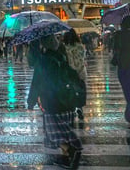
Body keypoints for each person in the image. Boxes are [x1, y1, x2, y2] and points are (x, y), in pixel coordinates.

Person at [28, 34, 82, 169]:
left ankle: (70, 150)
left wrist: (31, 101)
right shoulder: (61, 57)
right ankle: (67, 158)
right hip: (65, 99)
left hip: (51, 100)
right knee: (62, 130)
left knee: (52, 132)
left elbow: (36, 83)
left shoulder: (43, 61)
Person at [63, 29, 87, 121]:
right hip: (81, 72)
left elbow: (69, 62)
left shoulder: (65, 47)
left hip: (70, 73)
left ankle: (72, 109)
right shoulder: (80, 46)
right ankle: (80, 108)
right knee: (81, 90)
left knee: (71, 91)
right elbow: (82, 59)